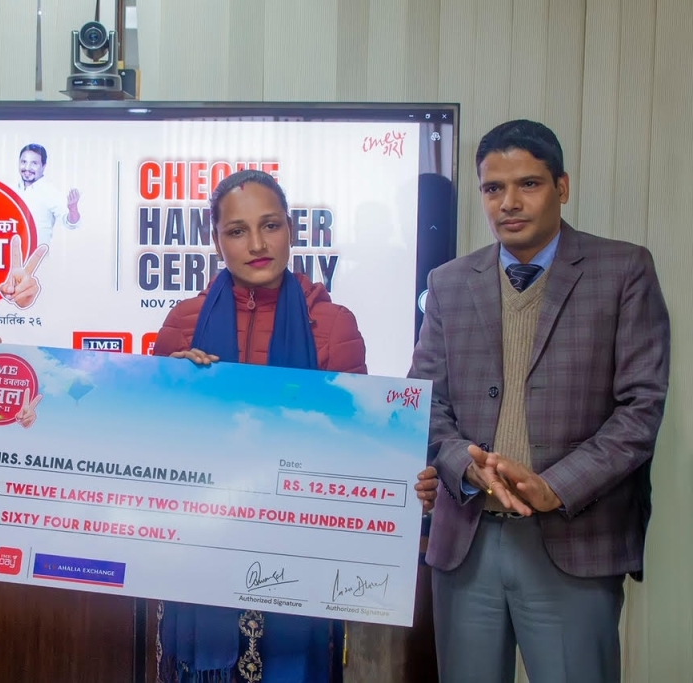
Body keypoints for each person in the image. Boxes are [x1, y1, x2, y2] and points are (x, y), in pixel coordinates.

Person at [408, 119, 670, 682]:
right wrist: (465, 465)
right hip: (467, 538)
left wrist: (557, 487)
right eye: (493, 188)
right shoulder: (449, 283)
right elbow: (425, 400)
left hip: (575, 541)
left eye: (528, 184)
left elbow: (640, 409)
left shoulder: (623, 270)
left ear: (562, 187)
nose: (508, 202)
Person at [152, 169, 367, 682]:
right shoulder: (183, 323)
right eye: (237, 231)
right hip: (200, 551)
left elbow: (359, 448)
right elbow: (151, 445)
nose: (256, 244)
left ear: (290, 229)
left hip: (299, 555)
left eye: (269, 226)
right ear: (216, 241)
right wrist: (174, 391)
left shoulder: (333, 324)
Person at [17, 143, 81, 244]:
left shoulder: (50, 193)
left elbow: (71, 223)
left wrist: (73, 209)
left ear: (43, 166)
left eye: (34, 163)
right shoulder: (10, 190)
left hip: (38, 253)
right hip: (8, 252)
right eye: (24, 162)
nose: (27, 167)